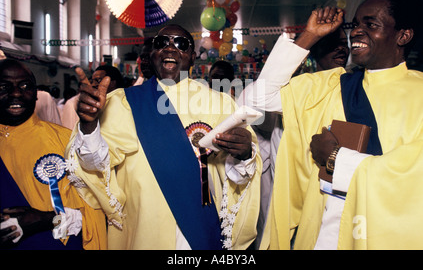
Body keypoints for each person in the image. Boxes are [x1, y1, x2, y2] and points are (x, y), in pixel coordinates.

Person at [254, 0, 423, 250]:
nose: (355, 31)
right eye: (355, 24)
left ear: (403, 35)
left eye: (371, 24)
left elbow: (413, 179)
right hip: (322, 236)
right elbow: (260, 98)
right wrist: (308, 36)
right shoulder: (331, 85)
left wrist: (336, 159)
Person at [65, 24, 262, 250]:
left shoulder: (219, 103)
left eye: (180, 44)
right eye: (161, 43)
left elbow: (232, 177)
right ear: (152, 55)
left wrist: (245, 154)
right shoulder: (122, 102)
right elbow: (96, 166)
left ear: (192, 57)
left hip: (199, 229)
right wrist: (89, 126)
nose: (170, 48)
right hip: (143, 229)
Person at [238, 23, 350, 249]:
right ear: (314, 50)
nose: (340, 49)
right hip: (293, 210)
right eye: (330, 43)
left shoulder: (355, 88)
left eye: (343, 43)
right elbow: (253, 101)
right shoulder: (297, 89)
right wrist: (307, 37)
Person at [0, 59, 107, 250]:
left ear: (36, 94)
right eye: (4, 86)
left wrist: (46, 220)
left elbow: (94, 218)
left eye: (25, 86)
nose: (16, 93)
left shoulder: (65, 141)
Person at [60, 65, 124, 130]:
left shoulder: (125, 105)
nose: (93, 85)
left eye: (98, 80)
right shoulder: (80, 104)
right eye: (92, 81)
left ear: (112, 83)